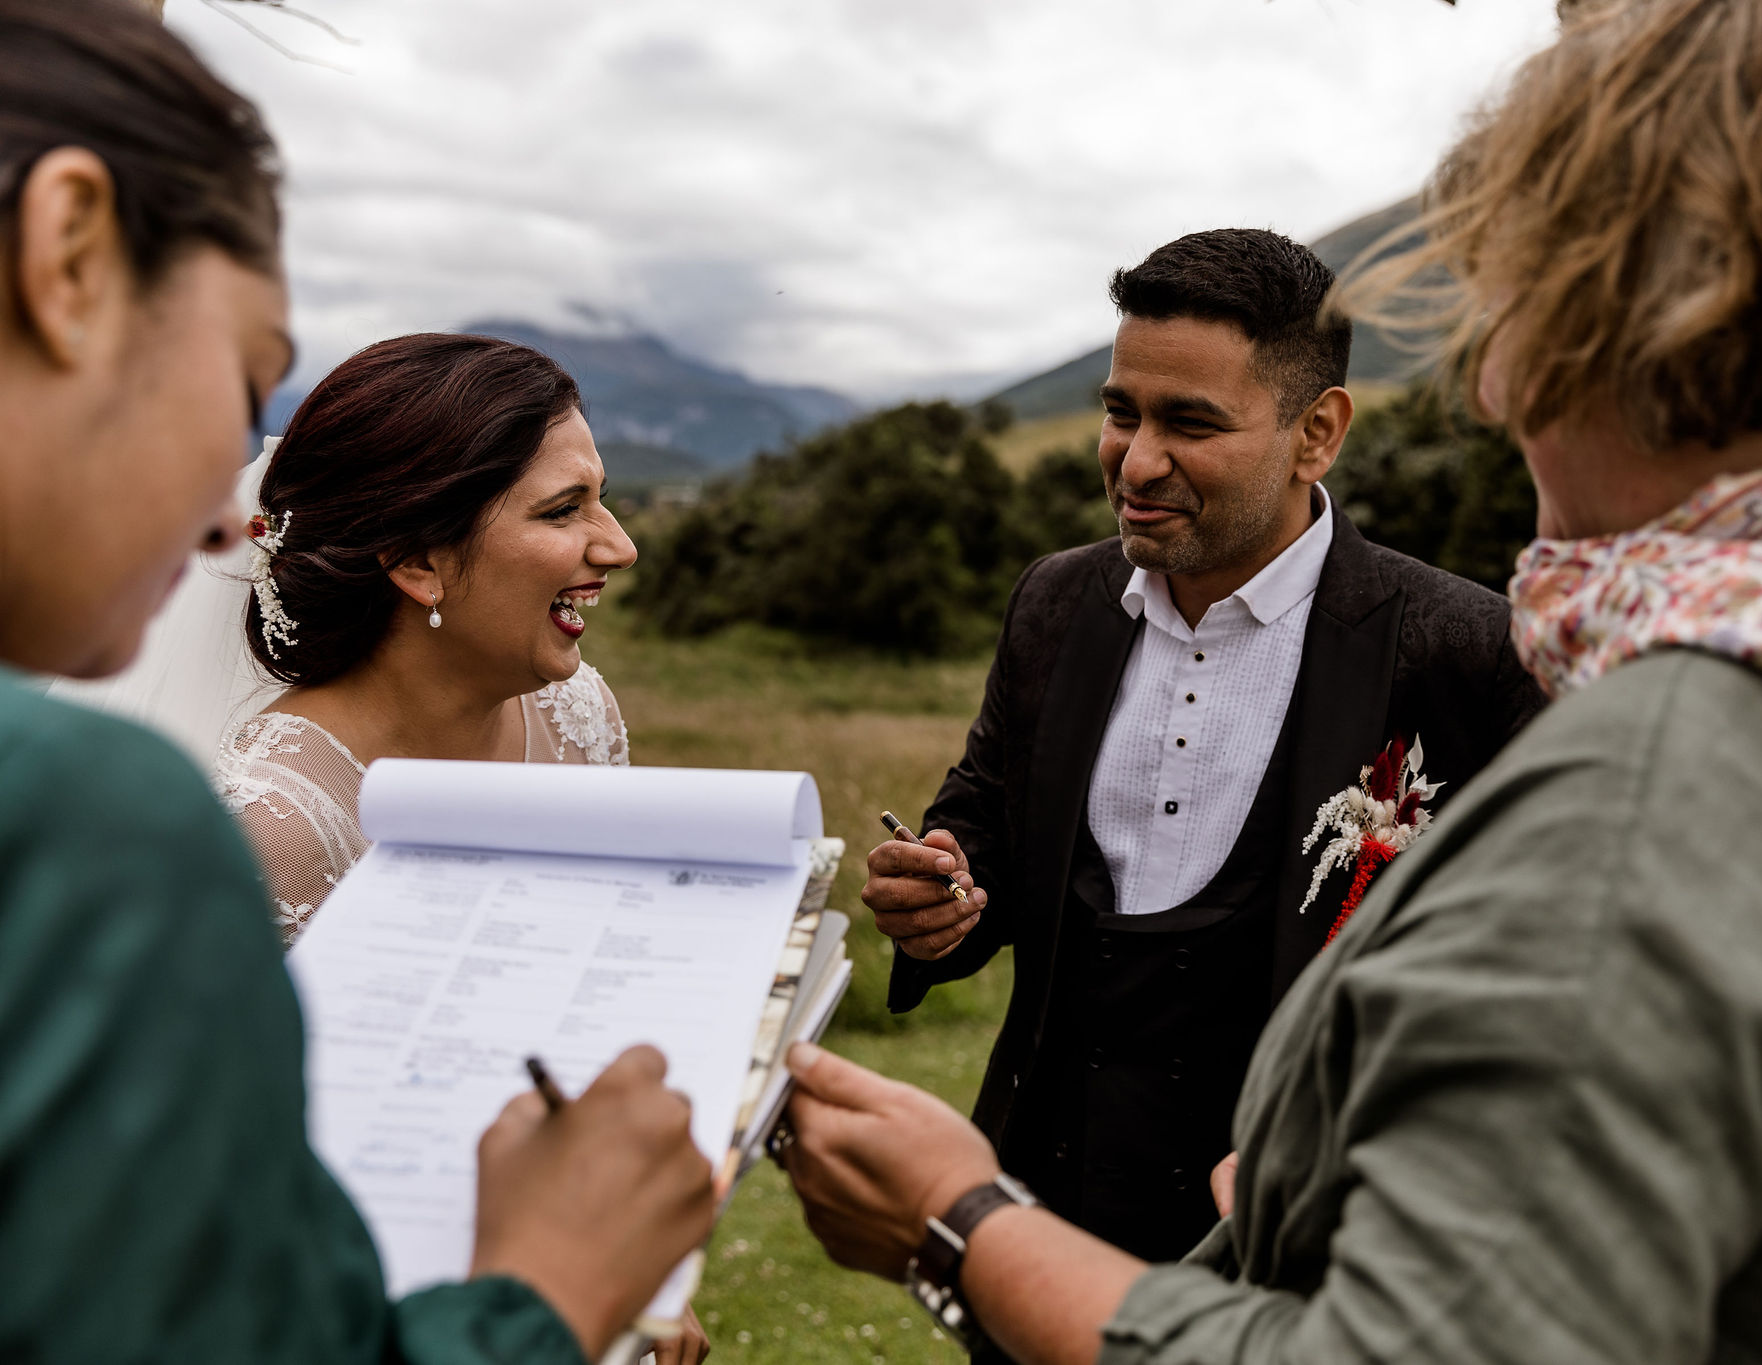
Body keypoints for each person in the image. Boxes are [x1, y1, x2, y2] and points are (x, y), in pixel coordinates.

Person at [784, 0, 1762, 1361]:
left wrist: (955, 1217)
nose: (1495, 390)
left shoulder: (1633, 780)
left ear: (1620, 323)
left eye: (1512, 308)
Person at [0, 3, 711, 1361]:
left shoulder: (576, 714)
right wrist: (547, 1299)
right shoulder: (108, 824)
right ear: (70, 254)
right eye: (246, 374)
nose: (235, 516)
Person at [862, 227, 1545, 1265]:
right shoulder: (1055, 601)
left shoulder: (1461, 648)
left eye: (1188, 422)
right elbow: (987, 811)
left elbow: (1518, 974)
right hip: (1036, 1195)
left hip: (1291, 1232)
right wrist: (943, 893)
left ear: (1315, 433)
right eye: (1117, 410)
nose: (1134, 461)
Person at [212, 333, 636, 944]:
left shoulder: (579, 716)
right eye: (562, 510)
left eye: (601, 499)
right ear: (418, 564)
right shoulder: (276, 831)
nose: (622, 548)